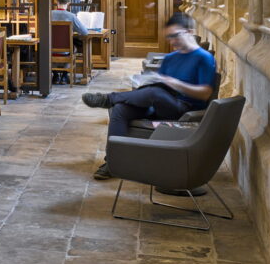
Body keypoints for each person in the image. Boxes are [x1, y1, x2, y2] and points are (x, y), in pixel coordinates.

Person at [82, 12, 216, 180]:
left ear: (189, 32)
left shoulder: (204, 58)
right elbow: (160, 86)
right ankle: (114, 163)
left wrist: (174, 83)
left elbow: (205, 94)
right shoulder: (171, 58)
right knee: (120, 109)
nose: (172, 41)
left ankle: (108, 98)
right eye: (169, 37)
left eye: (175, 35)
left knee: (154, 93)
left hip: (185, 110)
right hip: (160, 103)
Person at [51, 0, 87, 84]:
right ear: (68, 3)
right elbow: (84, 32)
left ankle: (55, 76)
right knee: (73, 48)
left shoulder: (49, 14)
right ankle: (64, 75)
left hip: (50, 50)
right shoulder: (71, 16)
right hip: (66, 51)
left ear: (56, 1)